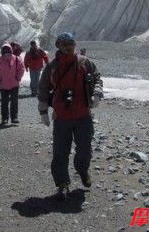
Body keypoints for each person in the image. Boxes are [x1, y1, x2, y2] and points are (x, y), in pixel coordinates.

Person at [38, 32, 103, 200]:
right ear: (59, 46)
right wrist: (43, 111)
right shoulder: (52, 66)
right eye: (65, 44)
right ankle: (62, 183)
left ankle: (82, 170)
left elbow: (97, 77)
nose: (68, 47)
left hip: (83, 115)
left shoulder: (84, 62)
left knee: (85, 149)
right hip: (62, 117)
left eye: (71, 44)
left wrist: (97, 93)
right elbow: (43, 88)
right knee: (60, 152)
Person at [0, 44, 25, 125]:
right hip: (4, 85)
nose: (6, 53)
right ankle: (5, 118)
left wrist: (18, 78)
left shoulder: (16, 59)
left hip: (13, 84)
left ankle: (14, 118)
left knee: (14, 102)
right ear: (2, 52)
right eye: (4, 51)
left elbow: (21, 68)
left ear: (10, 51)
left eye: (7, 51)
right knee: (5, 102)